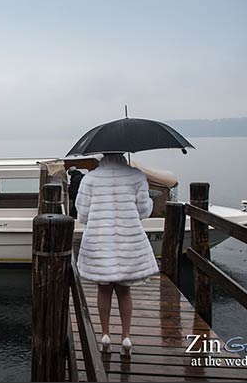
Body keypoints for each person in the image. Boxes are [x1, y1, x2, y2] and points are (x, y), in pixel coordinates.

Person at [74, 153, 158, 357]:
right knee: (124, 291)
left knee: (103, 290)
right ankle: (126, 337)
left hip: (100, 241)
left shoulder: (90, 179)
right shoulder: (136, 176)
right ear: (122, 154)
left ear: (103, 155)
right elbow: (144, 211)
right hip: (128, 242)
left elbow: (82, 215)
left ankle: (105, 335)